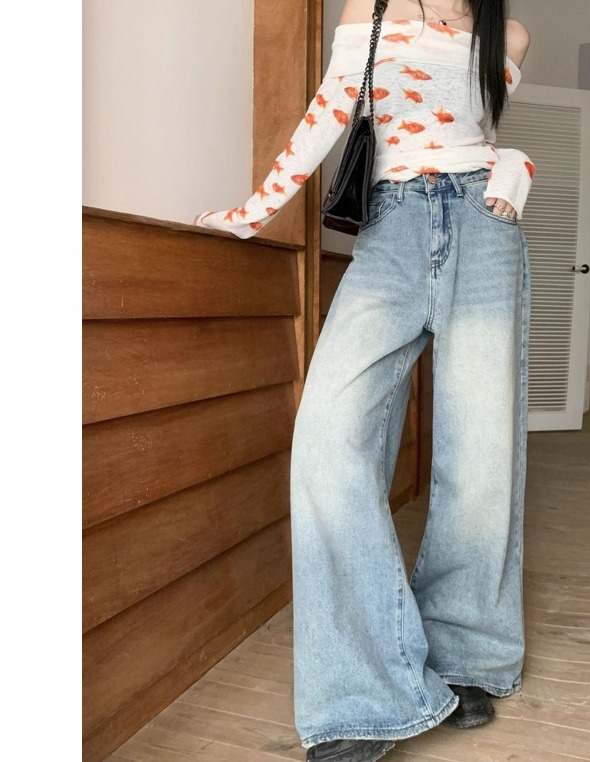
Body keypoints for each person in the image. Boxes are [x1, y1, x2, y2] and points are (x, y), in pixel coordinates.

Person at [196, 1, 533, 760]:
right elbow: (330, 109)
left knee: (481, 455)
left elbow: (478, 137)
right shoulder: (375, 8)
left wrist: (517, 168)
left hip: (484, 230)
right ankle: (366, 690)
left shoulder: (506, 32)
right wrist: (255, 212)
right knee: (327, 436)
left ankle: (466, 654)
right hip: (390, 230)